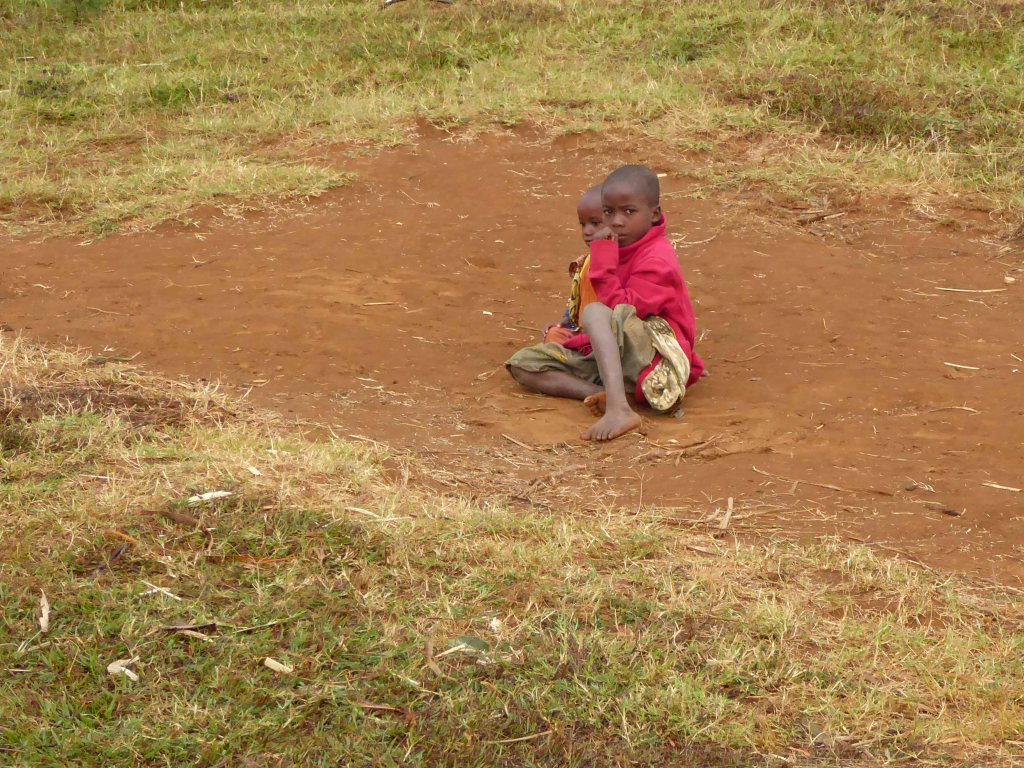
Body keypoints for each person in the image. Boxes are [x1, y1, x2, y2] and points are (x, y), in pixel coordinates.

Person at [507, 165, 704, 441]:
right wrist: (566, 339)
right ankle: (607, 395)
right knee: (525, 364)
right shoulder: (615, 249)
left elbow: (619, 311)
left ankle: (618, 409)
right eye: (609, 213)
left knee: (597, 313)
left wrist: (601, 264)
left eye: (629, 212)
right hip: (620, 363)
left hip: (659, 371)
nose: (618, 221)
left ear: (655, 214)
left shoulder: (658, 259)